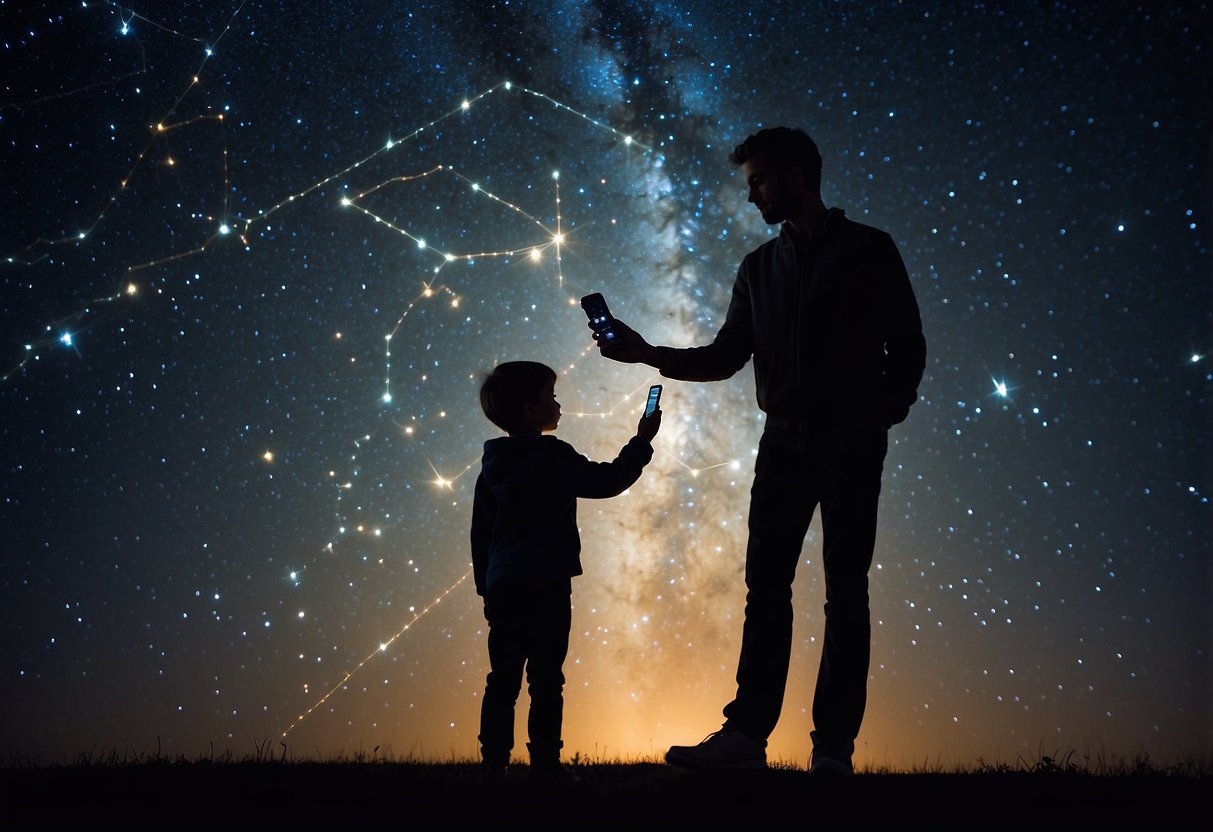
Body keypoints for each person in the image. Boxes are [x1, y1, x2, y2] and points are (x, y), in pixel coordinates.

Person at [592, 127, 926, 775]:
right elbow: (725, 356)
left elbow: (906, 343)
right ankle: (746, 736)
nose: (751, 197)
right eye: (749, 184)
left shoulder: (868, 249)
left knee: (844, 591)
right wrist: (647, 353)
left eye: (759, 181)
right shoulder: (756, 268)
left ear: (798, 175)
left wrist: (882, 411)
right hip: (781, 445)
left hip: (849, 441)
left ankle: (831, 748)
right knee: (764, 588)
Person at [471, 360, 662, 779]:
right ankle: (545, 763)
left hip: (503, 585)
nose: (558, 404)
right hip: (547, 584)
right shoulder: (552, 456)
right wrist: (642, 441)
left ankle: (492, 763)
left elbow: (480, 535)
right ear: (529, 409)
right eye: (550, 396)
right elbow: (607, 481)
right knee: (546, 679)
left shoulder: (491, 467)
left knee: (502, 678)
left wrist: (486, 588)